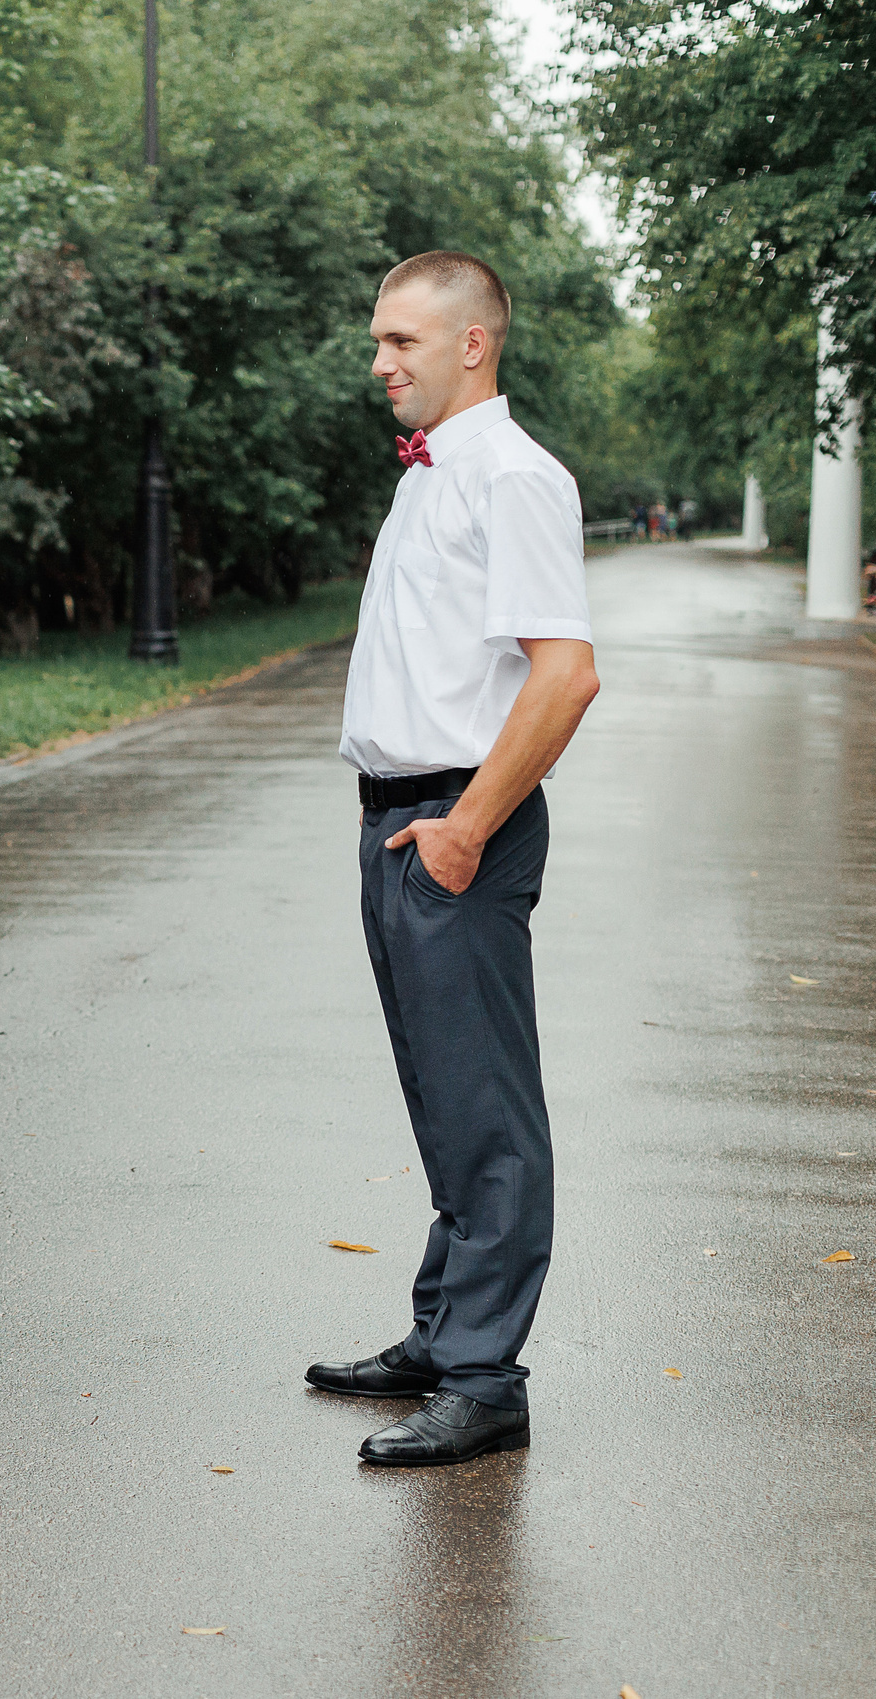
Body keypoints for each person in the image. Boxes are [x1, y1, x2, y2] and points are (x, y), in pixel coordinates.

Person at [309, 251, 601, 1466]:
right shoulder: (431, 472)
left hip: (454, 823)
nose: (378, 362)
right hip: (401, 815)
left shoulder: (514, 479)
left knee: (485, 1108)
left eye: (401, 343)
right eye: (379, 341)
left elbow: (565, 673)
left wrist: (467, 828)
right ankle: (441, 1333)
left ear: (472, 342)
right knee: (440, 1088)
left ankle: (485, 1378)